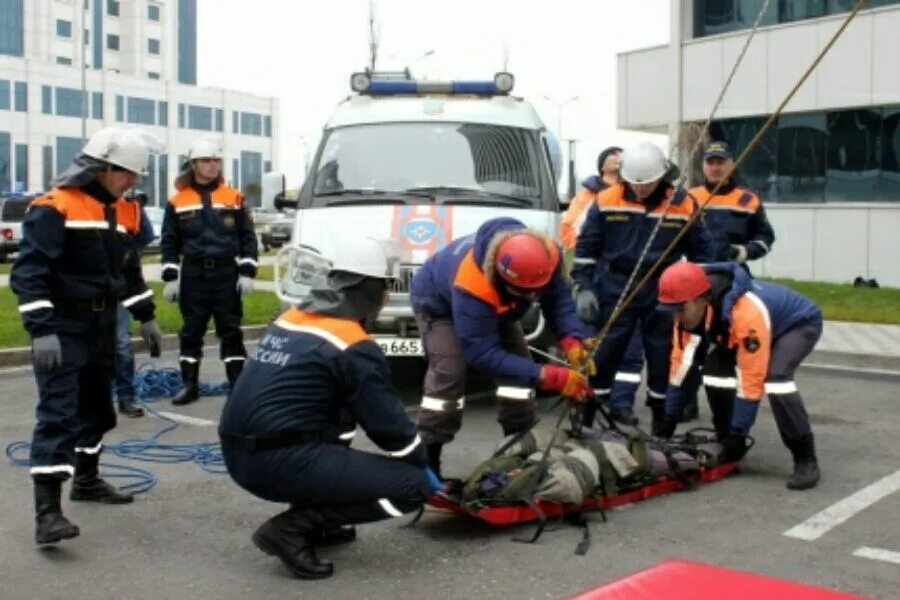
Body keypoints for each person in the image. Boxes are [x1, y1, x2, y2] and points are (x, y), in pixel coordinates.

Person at [219, 237, 441, 580]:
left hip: (239, 455)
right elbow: (390, 430)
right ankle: (292, 528)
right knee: (411, 488)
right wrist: (423, 466)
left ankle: (322, 517)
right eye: (385, 288)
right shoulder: (352, 343)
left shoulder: (292, 317)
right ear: (370, 291)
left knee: (335, 417)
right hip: (277, 462)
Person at [10, 127, 164, 545]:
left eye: (135, 175)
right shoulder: (54, 207)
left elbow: (128, 272)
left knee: (98, 411)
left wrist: (145, 315)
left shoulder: (127, 212)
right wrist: (42, 332)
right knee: (59, 413)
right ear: (100, 168)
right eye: (126, 173)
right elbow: (28, 275)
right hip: (62, 327)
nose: (132, 182)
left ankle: (87, 481)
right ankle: (47, 514)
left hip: (100, 326)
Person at [409, 217, 594, 478]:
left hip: (497, 308)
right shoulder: (473, 283)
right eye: (524, 292)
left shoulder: (546, 256)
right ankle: (427, 460)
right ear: (499, 275)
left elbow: (558, 300)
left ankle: (518, 449)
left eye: (535, 292)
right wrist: (549, 375)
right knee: (450, 375)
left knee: (518, 377)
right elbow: (482, 354)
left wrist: (571, 339)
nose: (531, 299)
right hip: (439, 304)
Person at [571, 142, 714, 433]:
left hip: (663, 287)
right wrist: (584, 286)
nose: (640, 191)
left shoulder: (682, 204)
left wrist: (701, 291)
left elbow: (703, 253)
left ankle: (662, 420)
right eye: (635, 185)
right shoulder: (607, 199)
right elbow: (586, 247)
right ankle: (590, 415)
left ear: (661, 177)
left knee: (663, 354)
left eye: (647, 185)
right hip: (615, 284)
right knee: (606, 352)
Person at [655, 261, 822, 490]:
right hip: (753, 330)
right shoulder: (687, 315)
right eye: (670, 311)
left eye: (680, 310)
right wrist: (668, 420)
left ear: (701, 298)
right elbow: (681, 368)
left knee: (776, 380)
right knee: (714, 371)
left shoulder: (744, 312)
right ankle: (727, 443)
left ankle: (805, 458)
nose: (676, 318)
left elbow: (751, 378)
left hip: (797, 324)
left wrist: (739, 431)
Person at [677, 141, 778, 422]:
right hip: (696, 280)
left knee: (728, 343)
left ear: (731, 164)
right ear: (703, 166)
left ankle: (729, 409)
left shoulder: (748, 200)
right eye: (710, 162)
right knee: (690, 342)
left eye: (721, 161)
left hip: (733, 282)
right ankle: (686, 401)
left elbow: (766, 238)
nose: (715, 167)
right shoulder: (690, 197)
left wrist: (745, 251)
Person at [160, 139, 258, 405]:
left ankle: (236, 385)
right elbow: (169, 241)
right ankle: (189, 385)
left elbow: (248, 237)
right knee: (191, 331)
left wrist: (247, 271)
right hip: (194, 274)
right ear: (193, 165)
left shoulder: (234, 198)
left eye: (216, 160)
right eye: (206, 160)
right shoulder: (177, 201)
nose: (212, 165)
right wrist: (171, 278)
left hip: (226, 272)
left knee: (230, 330)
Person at [114, 189, 156, 417]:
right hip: (84, 293)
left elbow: (143, 237)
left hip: (119, 287)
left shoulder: (129, 207)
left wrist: (147, 316)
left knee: (121, 343)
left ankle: (125, 397)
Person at [560, 146, 622, 250]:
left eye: (621, 154)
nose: (619, 157)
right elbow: (568, 227)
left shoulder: (635, 193)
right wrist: (584, 248)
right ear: (602, 166)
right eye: (613, 153)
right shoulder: (587, 194)